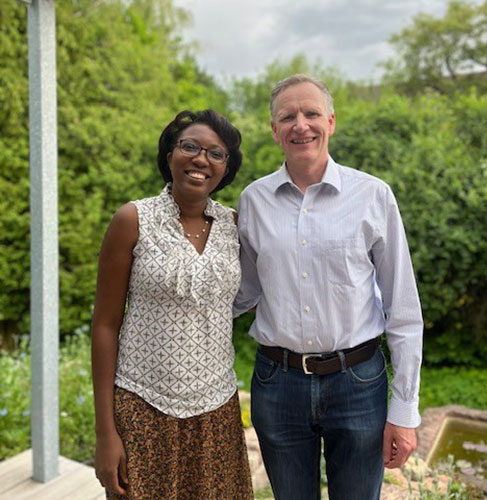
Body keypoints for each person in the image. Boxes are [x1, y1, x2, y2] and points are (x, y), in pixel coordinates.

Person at [234, 74, 423, 500]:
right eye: (288, 116)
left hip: (358, 382)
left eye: (311, 113)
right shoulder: (253, 201)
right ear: (275, 130)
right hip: (277, 384)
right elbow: (241, 293)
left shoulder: (374, 195)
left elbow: (404, 310)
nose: (300, 124)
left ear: (331, 122)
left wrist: (404, 410)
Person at [92, 109, 253, 500]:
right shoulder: (133, 219)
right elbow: (105, 325)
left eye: (217, 154)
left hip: (216, 410)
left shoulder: (235, 225)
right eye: (190, 147)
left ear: (225, 169)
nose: (201, 160)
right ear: (169, 155)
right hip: (142, 408)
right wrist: (105, 433)